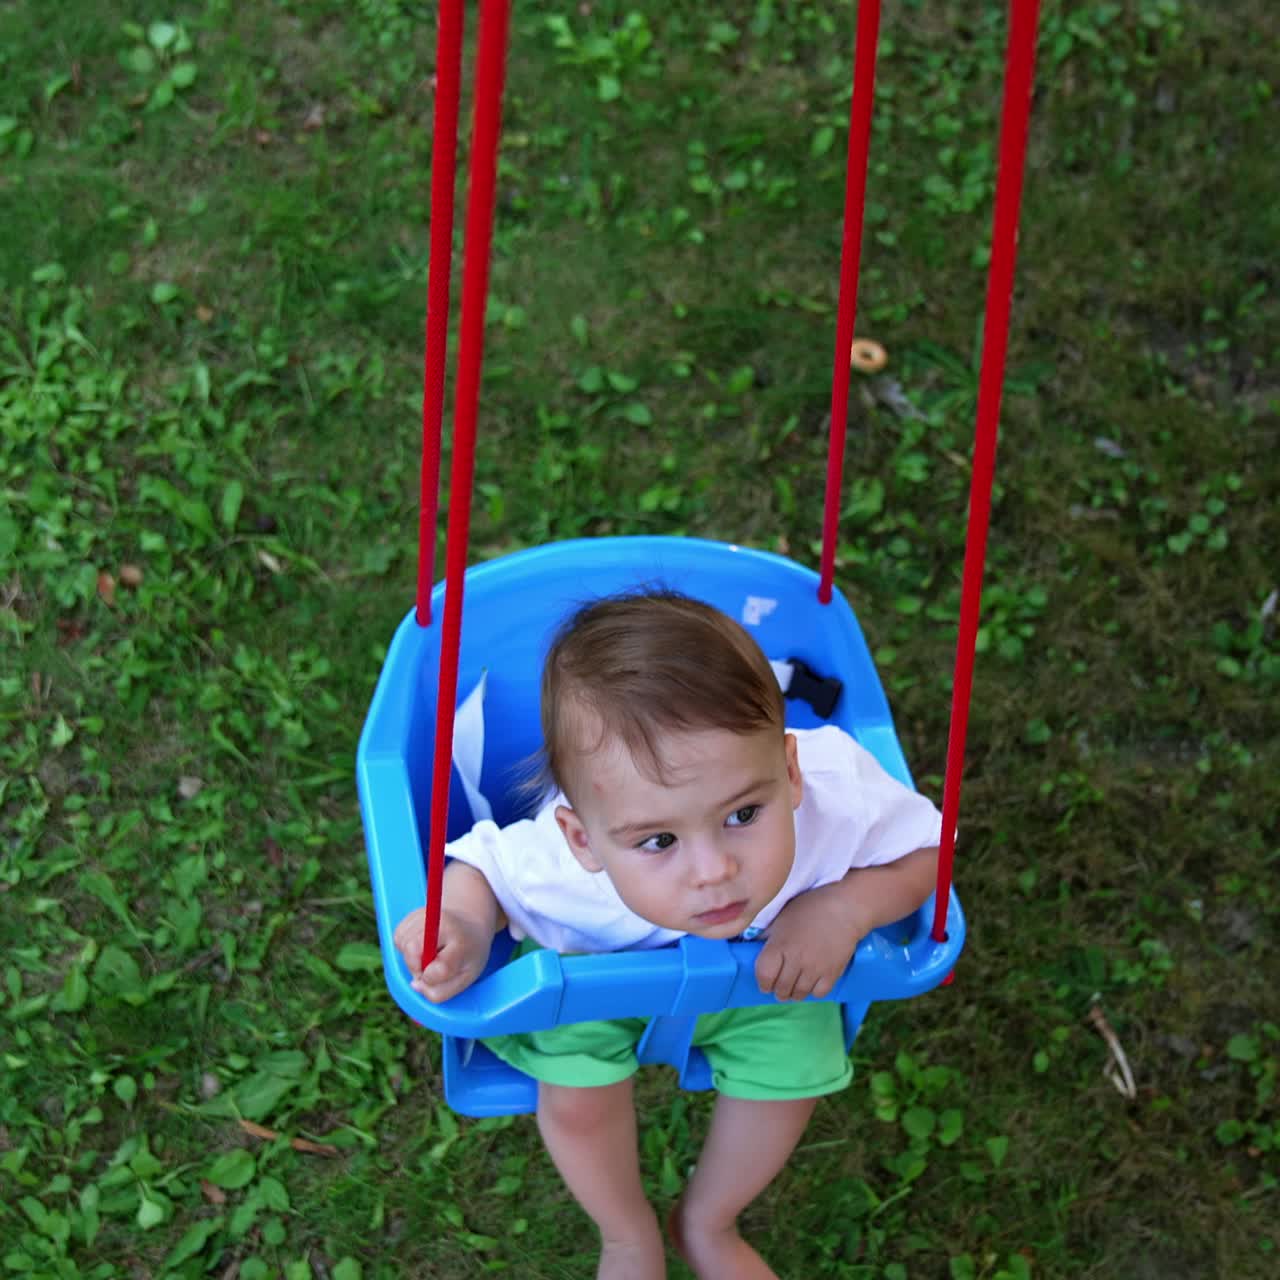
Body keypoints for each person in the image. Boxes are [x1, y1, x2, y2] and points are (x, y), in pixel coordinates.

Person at [394, 590, 942, 1280]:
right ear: (584, 839)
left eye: (743, 815)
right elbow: (484, 869)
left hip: (766, 983)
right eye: (658, 841)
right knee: (576, 1099)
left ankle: (709, 1221)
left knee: (790, 1081)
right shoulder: (564, 864)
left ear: (790, 771)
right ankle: (626, 1234)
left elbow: (927, 848)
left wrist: (843, 907)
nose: (714, 872)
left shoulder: (837, 793)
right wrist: (464, 924)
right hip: (599, 984)